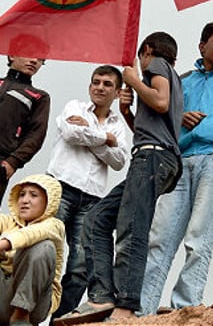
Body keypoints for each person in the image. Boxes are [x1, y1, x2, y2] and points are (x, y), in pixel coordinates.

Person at [58, 32, 183, 324]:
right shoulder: (171, 76)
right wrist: (127, 109)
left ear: (147, 51)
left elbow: (160, 102)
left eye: (141, 57)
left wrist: (135, 79)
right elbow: (151, 124)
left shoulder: (158, 66)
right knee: (97, 219)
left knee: (132, 228)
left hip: (152, 157)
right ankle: (102, 296)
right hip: (153, 155)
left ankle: (126, 306)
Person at [140, 20, 213, 314]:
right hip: (179, 162)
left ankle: (186, 307)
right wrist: (181, 117)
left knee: (199, 238)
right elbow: (163, 114)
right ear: (202, 46)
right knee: (159, 238)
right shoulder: (182, 79)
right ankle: (143, 309)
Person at [47, 66, 129, 318]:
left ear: (117, 92)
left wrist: (93, 135)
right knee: (46, 253)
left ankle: (60, 319)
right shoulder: (75, 107)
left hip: (92, 198)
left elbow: (119, 161)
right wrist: (106, 139)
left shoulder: (119, 125)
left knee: (81, 266)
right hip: (60, 187)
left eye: (107, 84)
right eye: (96, 82)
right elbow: (72, 134)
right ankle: (28, 318)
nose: (100, 87)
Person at [0, 174, 65, 325]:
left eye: (33, 195)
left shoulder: (54, 225)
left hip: (34, 307)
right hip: (3, 296)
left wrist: (3, 245)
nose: (25, 200)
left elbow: (30, 235)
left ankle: (20, 315)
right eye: (22, 195)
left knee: (43, 246)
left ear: (49, 202)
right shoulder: (7, 222)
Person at [0, 56, 50, 199]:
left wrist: (12, 162)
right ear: (12, 55)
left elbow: (36, 135)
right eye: (29, 54)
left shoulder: (39, 97)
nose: (34, 61)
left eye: (40, 59)